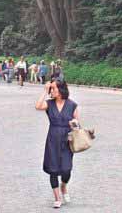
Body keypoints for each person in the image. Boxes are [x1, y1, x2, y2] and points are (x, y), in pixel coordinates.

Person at [36, 78, 79, 209]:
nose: (52, 90)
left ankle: (64, 186)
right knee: (53, 169)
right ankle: (57, 198)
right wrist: (45, 90)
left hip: (67, 140)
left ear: (61, 89)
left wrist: (74, 125)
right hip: (53, 139)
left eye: (53, 88)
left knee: (66, 169)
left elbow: (77, 124)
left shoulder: (72, 105)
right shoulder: (49, 103)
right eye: (51, 88)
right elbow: (38, 106)